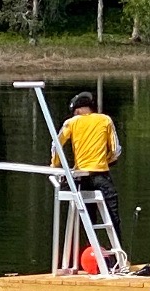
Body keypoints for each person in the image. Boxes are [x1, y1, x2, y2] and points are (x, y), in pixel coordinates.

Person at [51, 91, 123, 244]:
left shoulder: (71, 122)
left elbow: (56, 145)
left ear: (78, 109)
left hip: (81, 176)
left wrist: (54, 165)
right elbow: (116, 150)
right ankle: (119, 256)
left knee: (88, 219)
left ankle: (93, 252)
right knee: (112, 216)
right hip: (102, 175)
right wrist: (107, 160)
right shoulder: (105, 120)